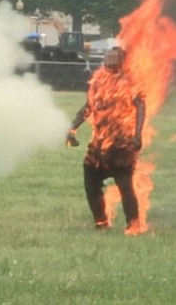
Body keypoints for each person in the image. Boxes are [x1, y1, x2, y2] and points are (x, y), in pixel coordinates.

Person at [66, 47, 145, 232]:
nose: (107, 61)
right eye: (106, 57)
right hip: (100, 143)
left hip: (121, 143)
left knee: (125, 186)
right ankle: (101, 222)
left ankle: (133, 225)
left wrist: (137, 135)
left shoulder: (130, 81)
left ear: (121, 62)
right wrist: (71, 128)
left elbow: (141, 108)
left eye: (112, 58)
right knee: (91, 180)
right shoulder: (99, 80)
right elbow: (88, 107)